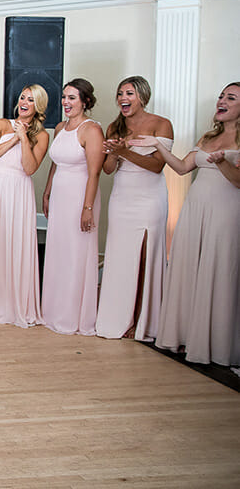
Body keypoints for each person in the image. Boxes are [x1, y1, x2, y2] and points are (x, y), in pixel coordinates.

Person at [131, 82, 240, 366]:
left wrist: (223, 163)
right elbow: (181, 168)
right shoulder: (207, 137)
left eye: (231, 97)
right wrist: (157, 145)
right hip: (196, 210)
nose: (222, 100)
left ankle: (216, 344)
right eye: (221, 95)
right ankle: (187, 335)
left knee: (218, 270)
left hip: (226, 212)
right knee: (190, 267)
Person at [95, 76, 173, 341]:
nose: (122, 98)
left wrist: (125, 151)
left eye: (128, 93)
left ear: (142, 96)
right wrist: (115, 152)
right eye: (119, 94)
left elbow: (157, 166)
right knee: (120, 256)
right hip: (122, 196)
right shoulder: (113, 127)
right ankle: (119, 316)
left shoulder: (161, 124)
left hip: (149, 196)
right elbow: (106, 170)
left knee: (144, 255)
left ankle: (143, 319)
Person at [0, 85, 50, 328]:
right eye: (23, 97)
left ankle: (15, 304)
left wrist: (24, 137)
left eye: (31, 100)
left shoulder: (42, 136)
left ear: (39, 107)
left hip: (19, 190)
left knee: (15, 243)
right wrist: (14, 136)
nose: (24, 102)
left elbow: (29, 168)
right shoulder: (2, 124)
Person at [40, 78, 105, 336]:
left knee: (77, 253)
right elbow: (55, 164)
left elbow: (95, 172)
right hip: (59, 196)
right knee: (59, 252)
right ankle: (54, 311)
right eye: (64, 97)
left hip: (81, 196)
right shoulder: (59, 127)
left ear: (85, 101)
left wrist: (87, 207)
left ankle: (74, 315)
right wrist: (46, 192)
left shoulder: (92, 130)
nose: (66, 102)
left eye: (72, 98)